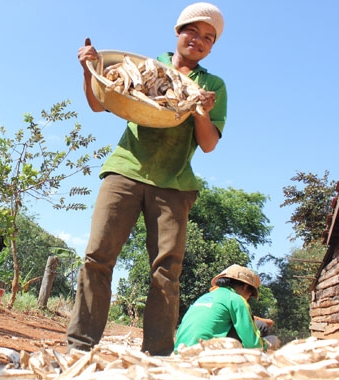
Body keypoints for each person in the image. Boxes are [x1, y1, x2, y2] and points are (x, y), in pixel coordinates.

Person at [66, 2, 227, 356]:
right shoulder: (143, 65)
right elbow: (100, 103)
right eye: (192, 31)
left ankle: (157, 354)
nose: (198, 41)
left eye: (207, 38)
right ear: (178, 31)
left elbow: (209, 143)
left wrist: (201, 111)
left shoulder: (211, 85)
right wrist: (88, 69)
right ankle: (80, 346)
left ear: (212, 47)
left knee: (166, 271)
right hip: (125, 170)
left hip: (174, 183)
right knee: (97, 256)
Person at [174, 265, 267, 352]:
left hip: (180, 350)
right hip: (205, 351)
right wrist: (267, 345)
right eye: (250, 294)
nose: (248, 298)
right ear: (245, 287)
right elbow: (253, 344)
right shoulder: (236, 299)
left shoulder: (203, 297)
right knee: (260, 325)